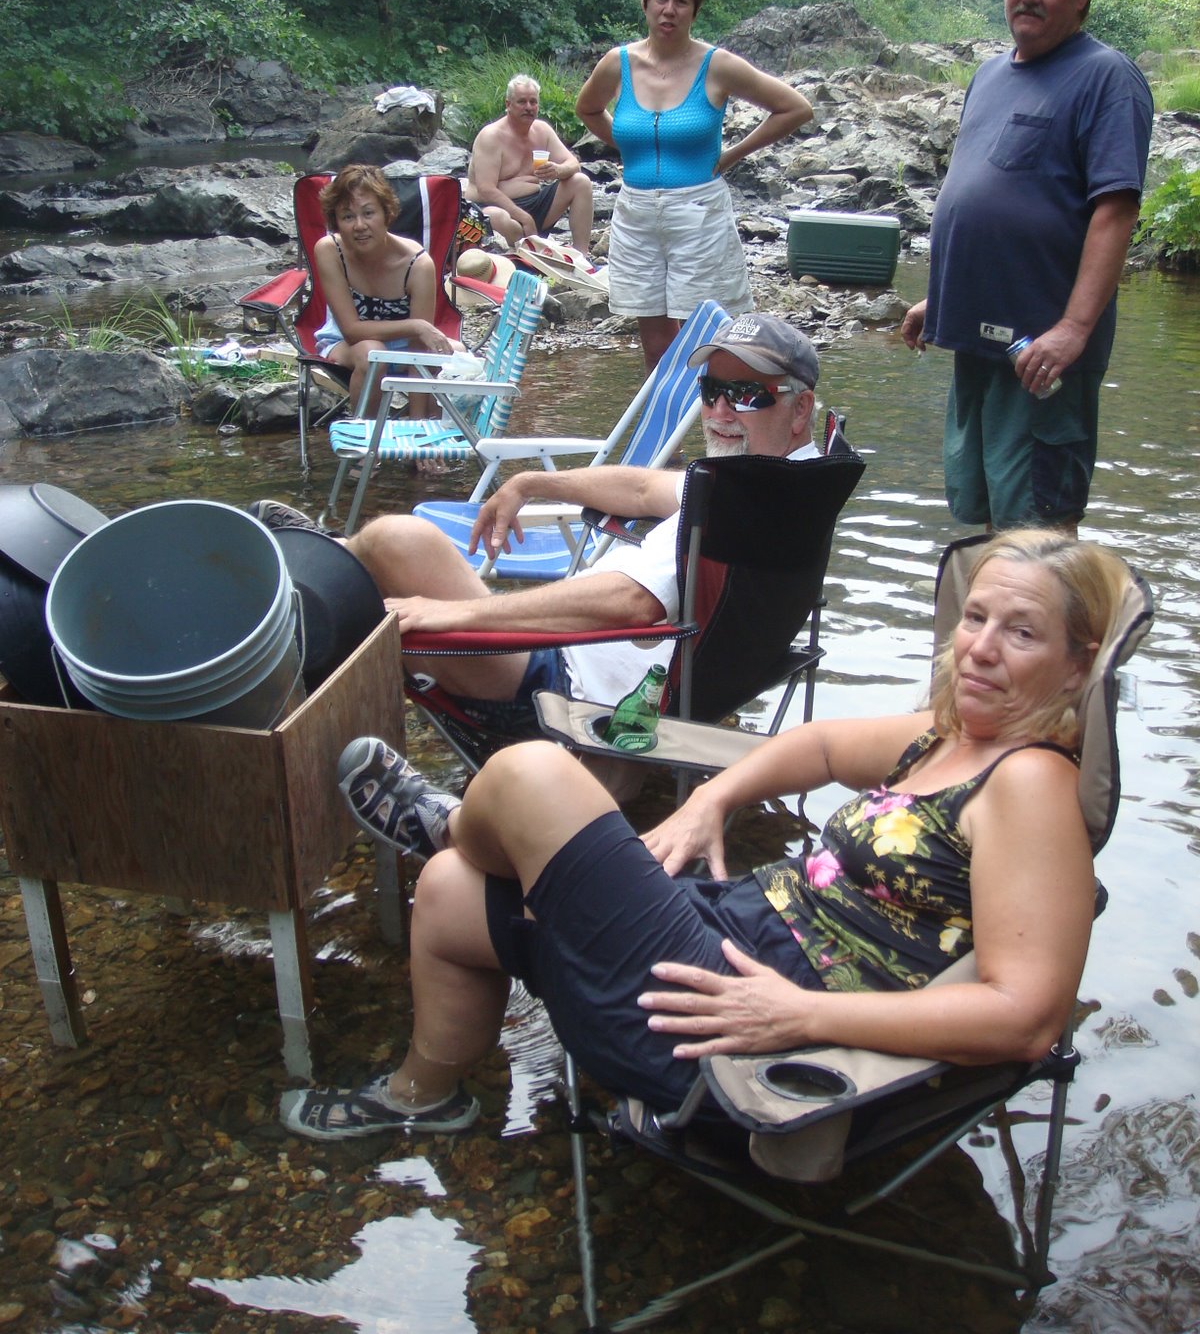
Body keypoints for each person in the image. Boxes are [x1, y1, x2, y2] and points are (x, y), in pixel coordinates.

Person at [278, 527, 1131, 1138]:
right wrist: (707, 802)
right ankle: (423, 1096)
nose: (980, 648)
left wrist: (798, 1014)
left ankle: (456, 824)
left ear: (1078, 664)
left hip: (740, 1022)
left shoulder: (1030, 784)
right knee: (452, 894)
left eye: (1021, 632)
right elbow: (818, 744)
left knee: (535, 774)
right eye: (975, 619)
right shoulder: (949, 739)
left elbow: (1026, 1018)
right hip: (732, 938)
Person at [252, 313, 821, 732]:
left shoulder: (745, 504)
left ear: (800, 408)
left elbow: (631, 604)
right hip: (596, 659)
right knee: (391, 556)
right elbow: (645, 488)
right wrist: (533, 482)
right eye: (712, 391)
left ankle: (298, 597)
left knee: (394, 550)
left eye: (747, 395)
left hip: (569, 691)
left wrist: (454, 613)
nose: (719, 412)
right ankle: (320, 570)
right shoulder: (781, 482)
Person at [901, 0, 1154, 531]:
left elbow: (1115, 211)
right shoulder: (989, 76)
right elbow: (996, 194)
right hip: (978, 342)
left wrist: (1073, 329)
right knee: (987, 521)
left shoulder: (1107, 77)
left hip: (1044, 357)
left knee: (1041, 532)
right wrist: (944, 299)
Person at [575, 0, 813, 374]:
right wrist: (629, 147)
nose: (669, 10)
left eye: (681, 1)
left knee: (702, 341)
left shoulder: (717, 65)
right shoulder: (619, 63)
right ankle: (666, 421)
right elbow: (588, 108)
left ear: (694, 9)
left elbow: (795, 108)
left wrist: (732, 155)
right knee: (655, 348)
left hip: (698, 212)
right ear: (645, 3)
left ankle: (710, 413)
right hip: (636, 214)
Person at [310, 164, 458, 414]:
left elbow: (418, 350)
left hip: (405, 344)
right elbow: (351, 331)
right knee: (373, 353)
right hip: (347, 342)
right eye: (347, 217)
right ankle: (365, 437)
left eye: (368, 213)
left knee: (452, 356)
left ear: (386, 213)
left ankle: (427, 432)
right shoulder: (329, 250)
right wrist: (416, 326)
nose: (359, 225)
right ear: (336, 221)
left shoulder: (416, 264)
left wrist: (416, 420)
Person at [463, 75, 594, 253]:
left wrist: (558, 170)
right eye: (522, 102)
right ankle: (527, 250)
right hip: (498, 209)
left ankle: (581, 255)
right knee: (496, 216)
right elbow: (486, 189)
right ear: (508, 104)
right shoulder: (491, 136)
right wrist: (524, 218)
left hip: (535, 205)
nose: (528, 107)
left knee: (581, 182)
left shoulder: (542, 130)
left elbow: (573, 164)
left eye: (533, 102)